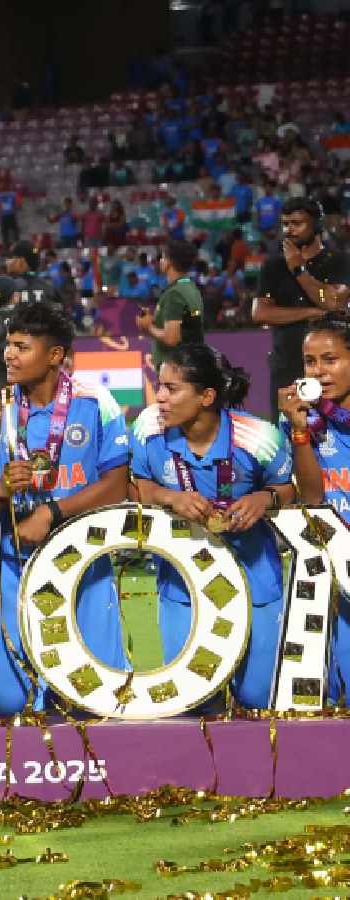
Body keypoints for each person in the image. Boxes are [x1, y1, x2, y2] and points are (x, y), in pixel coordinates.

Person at [0, 302, 130, 715]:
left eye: (21, 346)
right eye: (8, 345)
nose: (8, 355)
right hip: (16, 560)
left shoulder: (97, 403)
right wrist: (1, 489)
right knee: (10, 701)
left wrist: (51, 512)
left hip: (85, 559)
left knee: (99, 695)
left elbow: (116, 487)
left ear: (55, 355)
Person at [129, 344, 294, 710]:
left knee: (258, 698)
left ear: (206, 397)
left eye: (172, 388)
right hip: (183, 579)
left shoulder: (259, 438)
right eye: (160, 385)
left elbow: (289, 489)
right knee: (192, 696)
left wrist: (263, 498)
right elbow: (137, 486)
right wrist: (170, 497)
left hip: (253, 574)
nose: (159, 397)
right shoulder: (148, 428)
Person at [277, 310, 350, 702]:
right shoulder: (303, 419)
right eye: (310, 361)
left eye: (330, 359)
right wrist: (299, 431)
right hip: (330, 568)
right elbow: (312, 497)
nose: (319, 371)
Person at [253, 199, 350, 415]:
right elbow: (260, 313)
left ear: (316, 225)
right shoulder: (273, 266)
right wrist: (312, 312)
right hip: (286, 369)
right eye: (286, 224)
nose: (289, 230)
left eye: (297, 224)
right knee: (288, 431)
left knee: (335, 431)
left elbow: (333, 302)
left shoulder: (339, 261)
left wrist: (298, 269)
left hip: (330, 370)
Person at [0, 241, 62, 398]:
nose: (7, 262)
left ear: (21, 261)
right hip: (33, 381)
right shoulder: (49, 289)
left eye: (10, 258)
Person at [138, 238, 204, 369]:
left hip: (175, 370)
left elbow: (171, 338)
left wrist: (148, 326)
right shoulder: (191, 288)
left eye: (163, 257)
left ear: (168, 262)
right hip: (189, 366)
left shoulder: (174, 294)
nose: (160, 261)